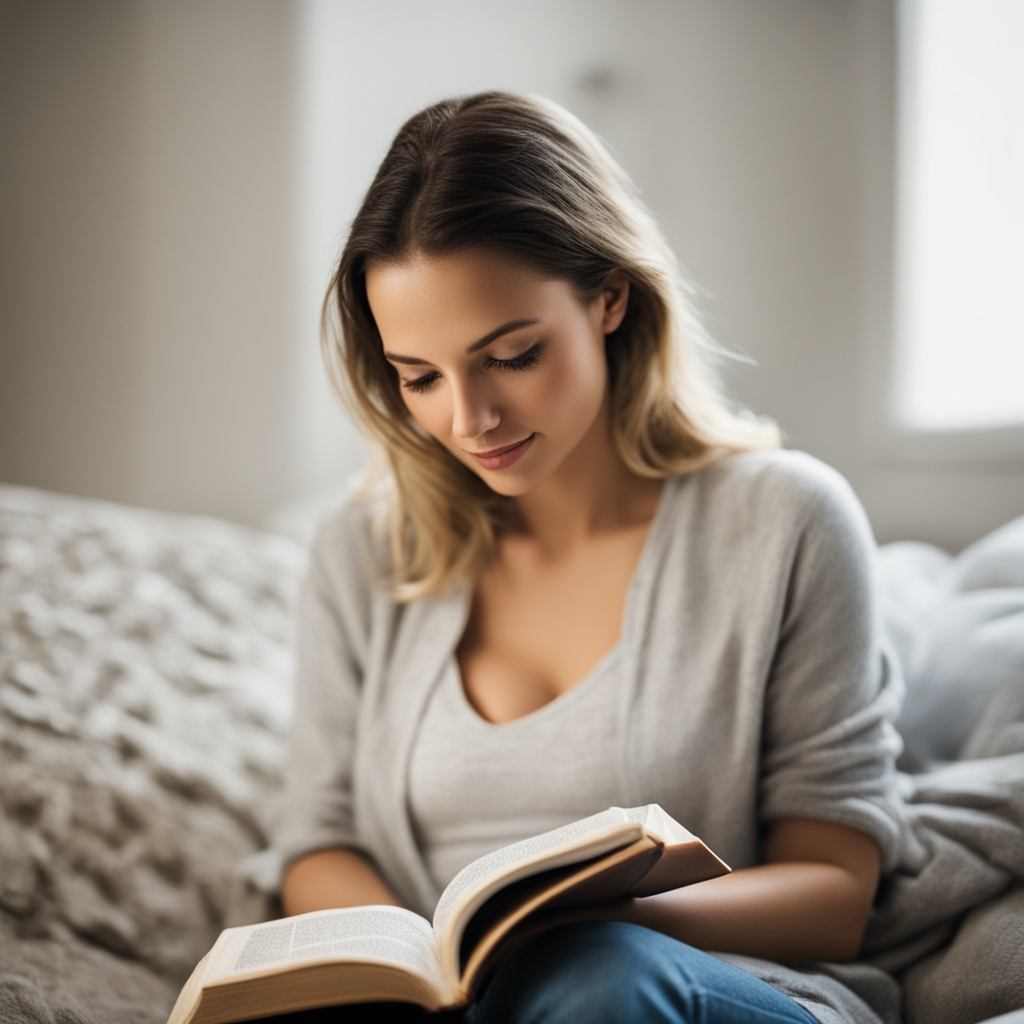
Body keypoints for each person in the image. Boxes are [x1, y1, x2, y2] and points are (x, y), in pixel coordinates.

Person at [272, 92, 904, 1024]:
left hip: (709, 988)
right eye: (421, 377)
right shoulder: (360, 552)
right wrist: (417, 973)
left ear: (610, 296)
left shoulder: (789, 522)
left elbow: (835, 897)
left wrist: (590, 922)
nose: (469, 419)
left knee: (600, 976)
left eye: (513, 355)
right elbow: (315, 842)